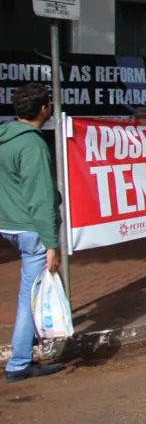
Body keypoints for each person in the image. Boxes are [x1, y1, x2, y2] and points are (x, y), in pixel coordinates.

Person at [0, 83, 66, 384]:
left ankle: (30, 348)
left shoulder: (5, 139)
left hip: (9, 224)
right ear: (43, 109)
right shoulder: (33, 145)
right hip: (30, 228)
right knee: (30, 295)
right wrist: (52, 244)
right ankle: (20, 361)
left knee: (32, 290)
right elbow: (41, 198)